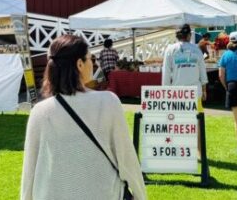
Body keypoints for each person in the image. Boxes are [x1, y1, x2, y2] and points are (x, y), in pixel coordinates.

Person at [21, 35, 146, 200]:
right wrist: (140, 195)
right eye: (91, 59)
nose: (93, 64)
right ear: (79, 64)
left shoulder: (40, 111)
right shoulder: (108, 102)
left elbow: (29, 172)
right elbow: (126, 159)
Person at [162, 24, 208, 102]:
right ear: (189, 35)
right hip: (195, 92)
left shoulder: (170, 50)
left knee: (178, 114)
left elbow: (166, 73)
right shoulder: (197, 50)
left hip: (177, 93)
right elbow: (202, 72)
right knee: (195, 114)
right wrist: (204, 91)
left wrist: (165, 92)